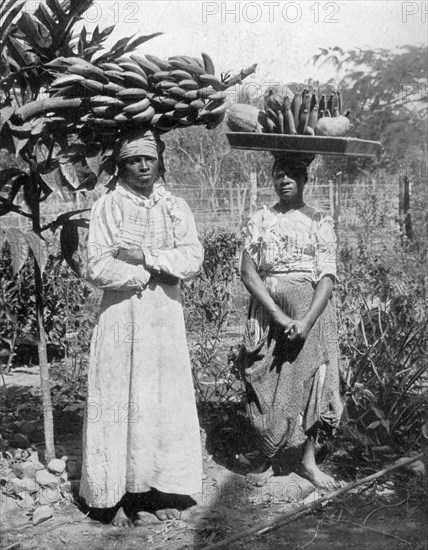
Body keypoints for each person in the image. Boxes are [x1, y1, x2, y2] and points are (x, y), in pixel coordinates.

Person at [79, 129, 204, 526]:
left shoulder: (174, 206)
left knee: (161, 401)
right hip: (123, 315)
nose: (143, 167)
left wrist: (146, 256)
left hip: (164, 316)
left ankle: (154, 491)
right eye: (134, 160)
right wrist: (147, 272)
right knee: (121, 399)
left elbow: (192, 258)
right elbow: (98, 265)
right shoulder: (109, 206)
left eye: (149, 159)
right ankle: (112, 497)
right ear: (121, 165)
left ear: (159, 161)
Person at [238, 154, 343, 490]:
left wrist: (306, 321)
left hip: (310, 309)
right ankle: (271, 459)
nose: (284, 180)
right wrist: (279, 316)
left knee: (315, 379)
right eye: (278, 174)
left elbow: (327, 276)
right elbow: (248, 271)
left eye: (292, 175)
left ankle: (308, 462)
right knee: (264, 378)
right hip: (269, 309)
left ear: (305, 180)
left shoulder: (319, 220)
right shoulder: (261, 219)